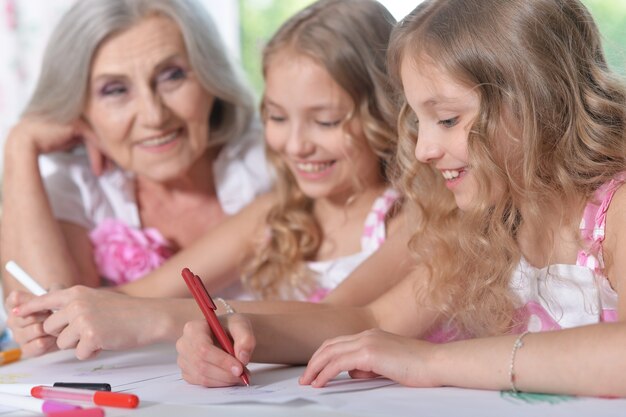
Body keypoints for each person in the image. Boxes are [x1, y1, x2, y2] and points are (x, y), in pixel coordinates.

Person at [175, 0, 626, 397]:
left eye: (447, 120)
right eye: (420, 121)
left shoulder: (615, 212)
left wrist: (431, 363)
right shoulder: (487, 221)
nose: (424, 149)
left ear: (537, 101)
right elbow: (370, 319)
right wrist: (244, 332)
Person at [10, 0, 411, 360]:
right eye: (276, 116)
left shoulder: (410, 216)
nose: (295, 146)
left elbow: (338, 319)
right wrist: (62, 315)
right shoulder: (280, 209)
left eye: (324, 121)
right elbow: (129, 299)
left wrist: (159, 320)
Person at [1, 0, 272, 355]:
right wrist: (20, 145)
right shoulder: (75, 189)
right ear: (80, 108)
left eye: (173, 75)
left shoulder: (274, 161)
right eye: (115, 90)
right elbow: (57, 336)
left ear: (210, 77)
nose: (154, 115)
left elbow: (63, 317)